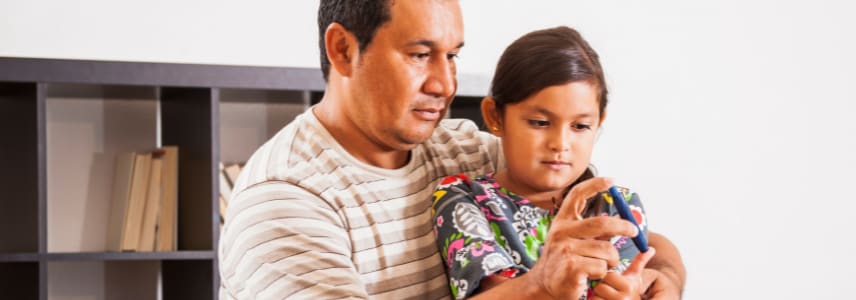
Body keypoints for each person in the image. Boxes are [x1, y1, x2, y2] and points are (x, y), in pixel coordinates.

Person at [218, 0, 685, 299]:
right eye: (420, 55)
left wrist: (659, 277)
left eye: (452, 55)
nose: (444, 83)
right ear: (343, 49)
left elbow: (628, 233)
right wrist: (540, 285)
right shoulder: (285, 199)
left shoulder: (466, 150)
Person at [432, 26, 654, 300]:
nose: (560, 143)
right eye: (540, 123)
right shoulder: (463, 199)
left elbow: (638, 275)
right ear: (495, 117)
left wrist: (631, 292)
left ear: (598, 124)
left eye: (581, 126)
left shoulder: (619, 207)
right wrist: (546, 285)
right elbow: (489, 292)